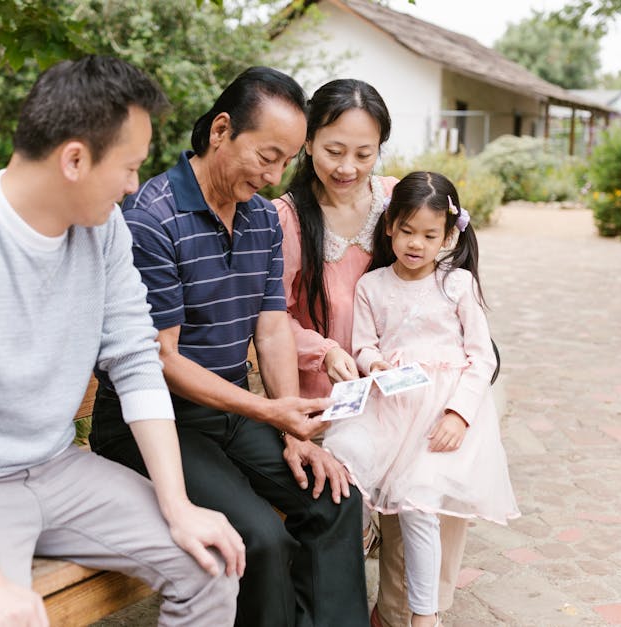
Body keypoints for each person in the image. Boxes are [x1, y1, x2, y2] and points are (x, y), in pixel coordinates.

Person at [0, 55, 244, 627]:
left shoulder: (105, 229)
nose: (136, 185)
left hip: (58, 469)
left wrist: (178, 506)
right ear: (74, 159)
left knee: (210, 563)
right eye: (130, 166)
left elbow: (137, 360)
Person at [89, 66, 369, 627]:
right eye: (267, 156)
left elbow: (271, 329)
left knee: (335, 500)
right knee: (259, 538)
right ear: (221, 130)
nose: (273, 176)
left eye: (286, 161)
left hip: (233, 415)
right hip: (155, 424)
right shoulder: (152, 217)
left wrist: (294, 432)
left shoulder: (264, 219)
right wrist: (269, 411)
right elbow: (160, 361)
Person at [273, 79, 471, 627]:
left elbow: (449, 276)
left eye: (364, 153)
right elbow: (270, 319)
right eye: (334, 150)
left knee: (423, 497)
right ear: (309, 141)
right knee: (346, 497)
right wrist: (322, 349)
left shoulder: (397, 200)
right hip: (332, 395)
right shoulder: (286, 219)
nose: (347, 166)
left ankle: (402, 613)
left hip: (406, 392)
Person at [323, 171, 521, 627]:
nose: (416, 244)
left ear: (449, 235)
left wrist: (459, 414)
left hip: (441, 417)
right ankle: (339, 585)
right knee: (339, 461)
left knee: (417, 501)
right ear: (389, 225)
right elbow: (364, 344)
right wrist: (374, 365)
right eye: (407, 231)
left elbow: (481, 358)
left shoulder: (458, 285)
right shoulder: (372, 286)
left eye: (430, 235)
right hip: (392, 410)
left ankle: (423, 614)